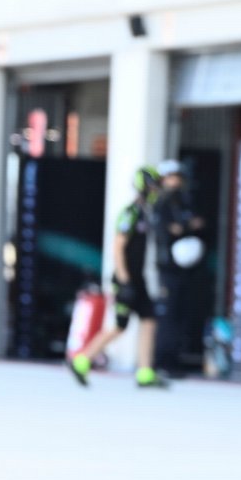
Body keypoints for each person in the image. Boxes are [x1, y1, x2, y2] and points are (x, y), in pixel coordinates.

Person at [69, 166, 166, 388]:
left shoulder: (146, 214)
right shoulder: (130, 213)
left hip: (138, 279)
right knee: (119, 326)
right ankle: (81, 360)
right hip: (126, 280)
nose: (156, 191)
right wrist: (124, 280)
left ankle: (145, 373)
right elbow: (118, 247)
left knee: (149, 320)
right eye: (153, 186)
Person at [152, 159, 204, 378]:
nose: (176, 182)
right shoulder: (160, 204)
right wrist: (181, 228)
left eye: (178, 177)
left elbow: (192, 224)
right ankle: (162, 362)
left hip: (185, 268)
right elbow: (166, 231)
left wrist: (185, 227)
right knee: (168, 315)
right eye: (172, 177)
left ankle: (174, 360)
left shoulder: (184, 201)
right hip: (169, 268)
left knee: (181, 314)